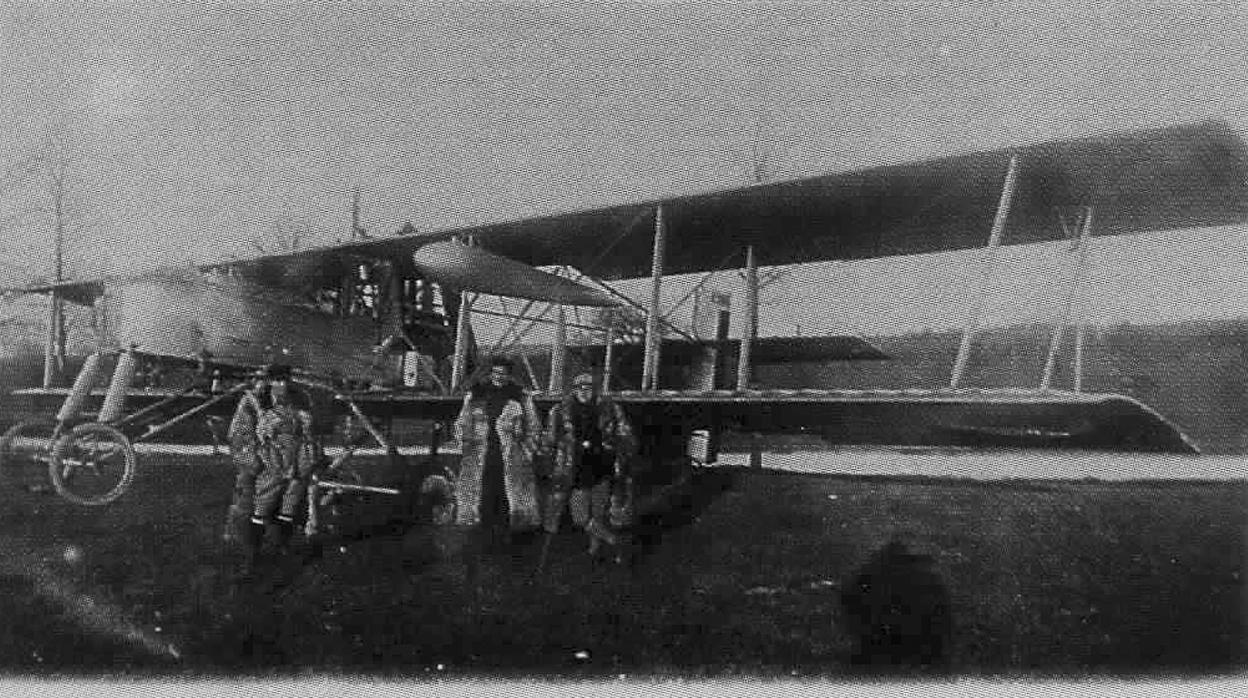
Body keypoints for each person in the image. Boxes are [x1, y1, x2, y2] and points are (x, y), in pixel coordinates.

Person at [542, 372, 638, 559]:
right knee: (580, 518)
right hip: (574, 466)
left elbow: (625, 434)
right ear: (574, 390)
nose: (584, 392)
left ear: (595, 390)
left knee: (598, 513)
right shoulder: (560, 411)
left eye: (588, 388)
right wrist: (548, 461)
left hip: (601, 465)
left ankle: (593, 552)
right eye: (580, 388)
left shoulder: (610, 408)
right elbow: (550, 439)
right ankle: (612, 540)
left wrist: (617, 449)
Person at [452, 356, 542, 548]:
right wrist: (465, 444)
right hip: (480, 454)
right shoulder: (476, 395)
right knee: (482, 494)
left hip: (511, 455)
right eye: (496, 372)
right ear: (490, 373)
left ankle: (508, 539)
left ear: (509, 375)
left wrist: (527, 451)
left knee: (508, 497)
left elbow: (533, 427)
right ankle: (481, 538)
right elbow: (462, 423)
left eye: (504, 373)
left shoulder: (520, 397)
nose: (499, 376)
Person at [244, 364, 322, 560]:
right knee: (264, 502)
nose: (282, 384)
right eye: (277, 380)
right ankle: (254, 550)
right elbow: (263, 437)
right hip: (277, 459)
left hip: (298, 458)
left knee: (290, 504)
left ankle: (282, 546)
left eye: (284, 379)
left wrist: (309, 458)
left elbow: (308, 435)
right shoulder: (268, 412)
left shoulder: (300, 407)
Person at [222, 366, 270, 544]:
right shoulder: (251, 402)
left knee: (246, 492)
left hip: (247, 451)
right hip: (248, 451)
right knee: (247, 491)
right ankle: (237, 532)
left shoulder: (250, 400)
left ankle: (235, 531)